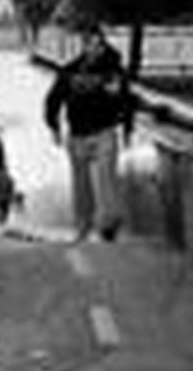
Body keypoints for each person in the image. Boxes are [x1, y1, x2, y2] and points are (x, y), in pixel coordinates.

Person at [43, 26, 134, 241]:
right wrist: (54, 126)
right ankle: (83, 226)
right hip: (77, 135)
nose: (94, 49)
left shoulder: (113, 70)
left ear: (103, 45)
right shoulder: (70, 71)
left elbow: (127, 101)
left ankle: (109, 224)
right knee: (81, 184)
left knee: (106, 179)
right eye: (89, 44)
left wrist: (127, 128)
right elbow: (53, 99)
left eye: (98, 44)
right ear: (83, 46)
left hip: (104, 131)